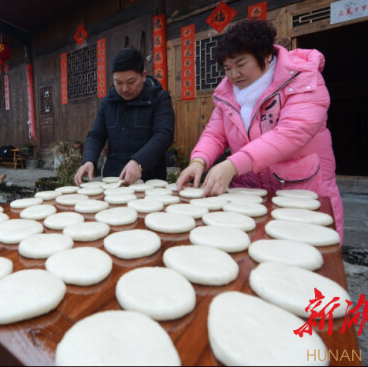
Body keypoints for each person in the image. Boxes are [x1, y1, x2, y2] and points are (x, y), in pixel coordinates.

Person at [176, 19, 344, 241]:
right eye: (227, 68)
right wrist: (198, 161)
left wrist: (233, 164)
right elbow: (215, 133)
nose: (234, 75)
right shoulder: (228, 94)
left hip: (301, 192)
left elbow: (291, 133)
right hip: (250, 194)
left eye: (241, 64)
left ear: (265, 55)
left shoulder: (302, 78)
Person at [74, 48, 175, 186]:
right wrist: (89, 160)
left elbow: (164, 134)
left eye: (131, 82)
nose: (124, 89)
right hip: (114, 179)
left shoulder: (159, 98)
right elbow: (96, 135)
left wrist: (139, 162)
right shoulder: (108, 102)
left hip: (149, 180)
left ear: (143, 75)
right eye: (118, 83)